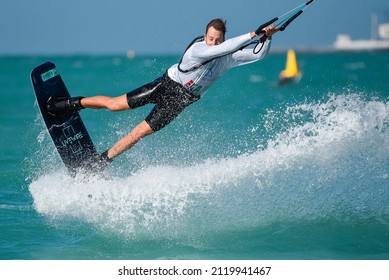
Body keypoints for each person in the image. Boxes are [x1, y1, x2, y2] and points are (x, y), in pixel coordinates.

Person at [47, 19, 278, 170]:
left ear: (223, 39)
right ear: (205, 36)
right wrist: (252, 33)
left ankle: (101, 161)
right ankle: (70, 103)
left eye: (218, 39)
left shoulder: (227, 58)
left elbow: (257, 55)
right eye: (210, 38)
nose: (213, 43)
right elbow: (223, 49)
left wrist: (266, 38)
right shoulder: (197, 49)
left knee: (138, 133)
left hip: (180, 102)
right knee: (115, 105)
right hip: (166, 85)